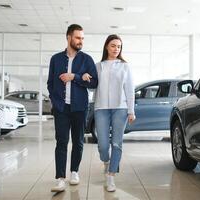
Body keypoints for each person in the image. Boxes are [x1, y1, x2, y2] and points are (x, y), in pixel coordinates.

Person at [47, 24, 98, 192]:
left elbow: (94, 82)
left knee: (78, 141)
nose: (80, 41)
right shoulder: (56, 59)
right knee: (61, 142)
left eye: (82, 38)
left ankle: (74, 171)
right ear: (68, 37)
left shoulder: (87, 60)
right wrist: (55, 102)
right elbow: (50, 83)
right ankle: (60, 178)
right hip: (61, 108)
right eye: (77, 37)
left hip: (79, 108)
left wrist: (75, 77)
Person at [94, 34, 135, 192]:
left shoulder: (125, 66)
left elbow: (130, 90)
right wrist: (84, 77)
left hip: (121, 109)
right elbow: (92, 86)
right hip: (101, 108)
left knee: (117, 143)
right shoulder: (98, 66)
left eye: (119, 46)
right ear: (106, 47)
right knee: (103, 145)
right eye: (113, 46)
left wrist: (131, 111)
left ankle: (111, 176)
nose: (116, 49)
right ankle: (106, 161)